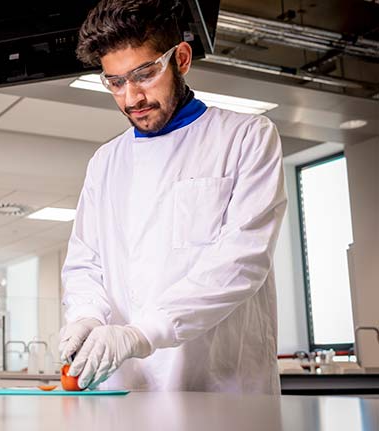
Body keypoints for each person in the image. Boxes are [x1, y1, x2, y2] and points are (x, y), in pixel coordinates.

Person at [59, 0, 287, 393]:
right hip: (129, 387)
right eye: (115, 82)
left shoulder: (247, 137)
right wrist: (86, 317)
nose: (132, 98)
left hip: (222, 384)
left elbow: (242, 260)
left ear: (180, 58)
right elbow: (85, 264)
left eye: (144, 74)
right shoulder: (105, 162)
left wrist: (141, 334)